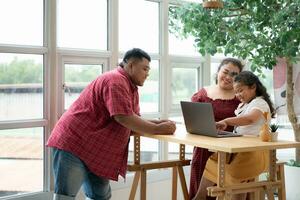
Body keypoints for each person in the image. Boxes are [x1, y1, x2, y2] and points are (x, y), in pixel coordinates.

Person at [47, 48, 176, 200]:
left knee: (100, 196)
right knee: (65, 197)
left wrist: (158, 123)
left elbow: (131, 119)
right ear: (131, 65)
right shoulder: (116, 81)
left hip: (95, 149)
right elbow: (123, 118)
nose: (147, 74)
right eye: (145, 68)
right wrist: (156, 128)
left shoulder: (130, 86)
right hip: (74, 143)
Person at [193, 71, 275, 200]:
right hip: (241, 149)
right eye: (236, 92)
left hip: (254, 152)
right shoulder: (244, 104)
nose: (238, 95)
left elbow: (250, 119)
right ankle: (199, 197)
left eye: (240, 90)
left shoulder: (260, 103)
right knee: (213, 160)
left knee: (234, 172)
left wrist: (226, 121)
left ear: (253, 87)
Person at [189, 58, 244, 200]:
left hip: (232, 153)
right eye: (225, 72)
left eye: (234, 75)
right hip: (203, 151)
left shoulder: (242, 98)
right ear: (218, 71)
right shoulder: (202, 94)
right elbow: (192, 121)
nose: (228, 77)